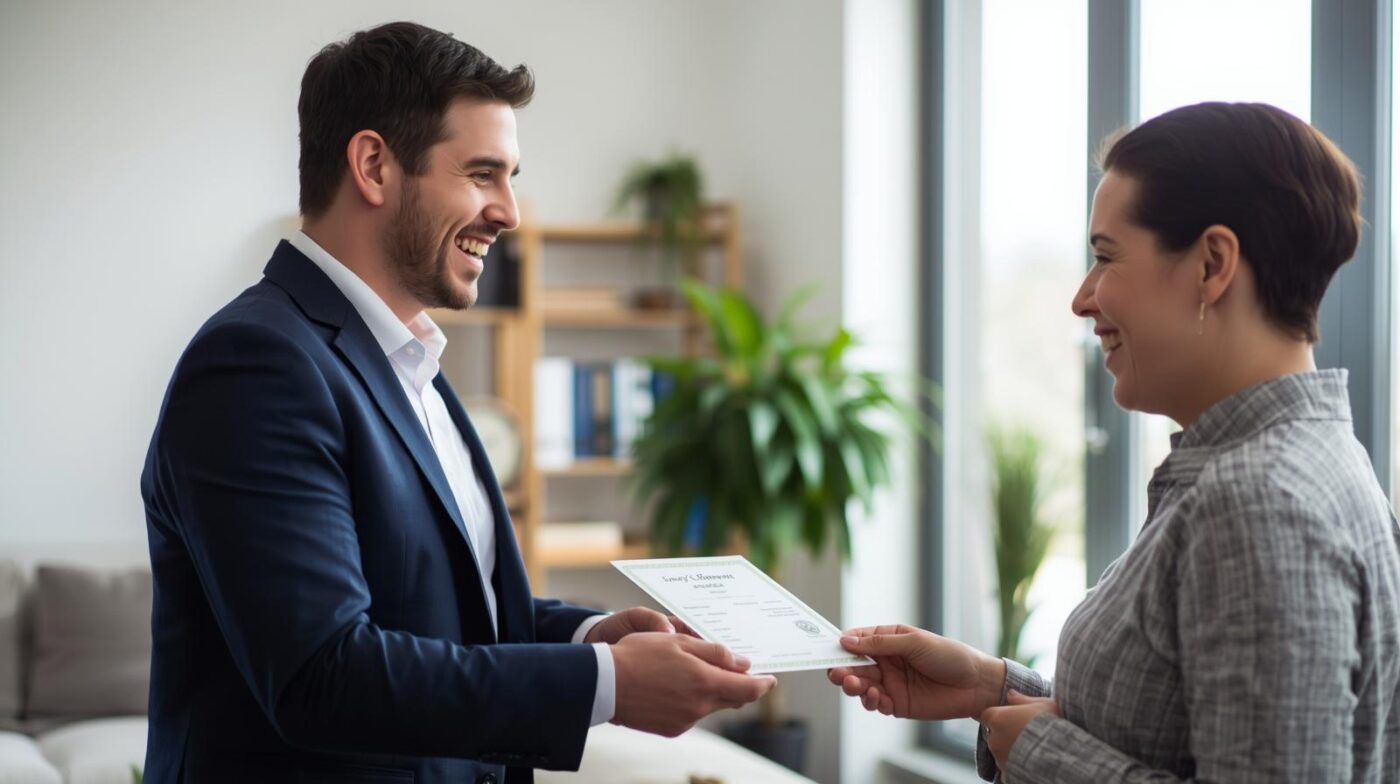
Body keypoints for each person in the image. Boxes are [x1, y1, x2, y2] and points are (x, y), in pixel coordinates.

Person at [140, 21, 773, 784]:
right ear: (374, 165)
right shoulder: (256, 364)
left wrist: (592, 639)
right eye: (483, 174)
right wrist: (609, 687)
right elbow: (323, 675)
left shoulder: (407, 359)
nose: (509, 211)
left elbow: (440, 609)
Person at [829, 102, 1400, 782]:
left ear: (1212, 264)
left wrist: (1043, 756)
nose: (1081, 297)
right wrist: (992, 687)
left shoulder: (1259, 503)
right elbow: (1182, 730)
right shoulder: (1291, 467)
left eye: (1104, 257)